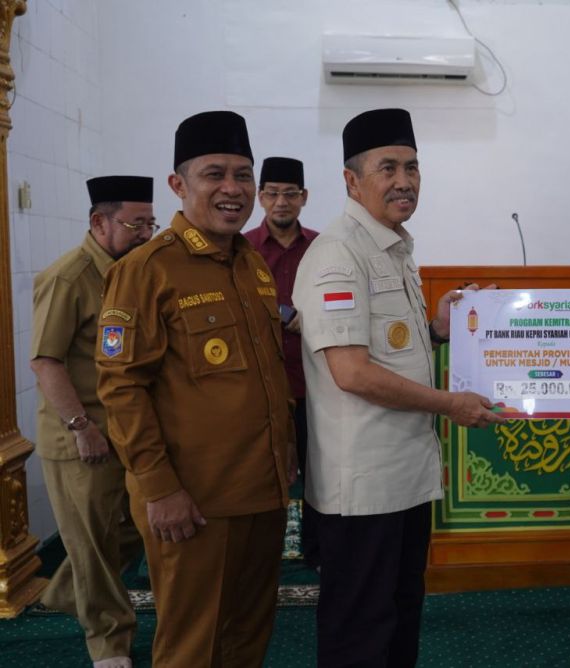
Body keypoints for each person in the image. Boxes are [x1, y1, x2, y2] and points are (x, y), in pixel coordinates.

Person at [293, 108, 503, 668]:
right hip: (363, 489)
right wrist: (450, 404)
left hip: (402, 479)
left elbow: (389, 352)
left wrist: (437, 330)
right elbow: (352, 372)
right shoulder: (339, 254)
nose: (404, 181)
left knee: (399, 620)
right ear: (351, 180)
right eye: (387, 168)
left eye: (412, 167)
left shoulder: (393, 248)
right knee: (360, 634)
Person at [95, 111, 296, 668]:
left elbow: (268, 371)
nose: (233, 188)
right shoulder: (147, 269)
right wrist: (159, 488)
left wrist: (285, 453)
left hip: (262, 491)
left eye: (243, 175)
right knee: (193, 646)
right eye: (214, 174)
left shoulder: (252, 265)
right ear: (178, 184)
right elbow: (121, 387)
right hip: (193, 501)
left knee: (247, 636)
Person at [31, 176, 154, 668]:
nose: (146, 234)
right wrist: (81, 427)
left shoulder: (133, 272)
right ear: (99, 222)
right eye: (135, 224)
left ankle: (69, 587)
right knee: (95, 545)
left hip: (126, 427)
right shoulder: (69, 277)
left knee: (138, 525)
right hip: (81, 435)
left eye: (151, 223)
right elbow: (45, 361)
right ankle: (109, 642)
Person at [244, 156, 320, 568]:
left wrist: (314, 319)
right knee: (264, 475)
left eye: (290, 194)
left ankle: (318, 551)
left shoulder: (323, 248)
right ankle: (262, 557)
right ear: (260, 197)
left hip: (316, 384)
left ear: (303, 197)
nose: (281, 202)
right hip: (263, 387)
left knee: (318, 473)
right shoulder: (243, 249)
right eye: (272, 193)